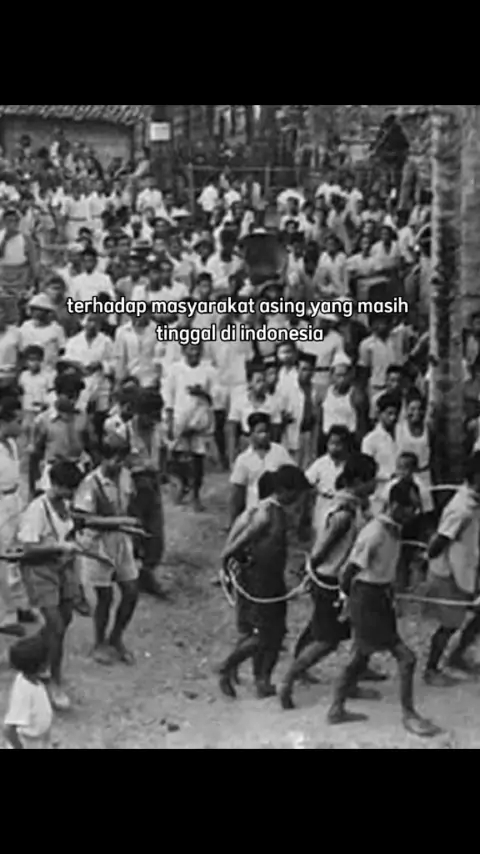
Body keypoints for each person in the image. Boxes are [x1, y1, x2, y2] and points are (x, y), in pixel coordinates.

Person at [327, 479, 441, 739]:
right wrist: (347, 602)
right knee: (406, 658)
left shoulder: (393, 530)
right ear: (396, 505)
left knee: (360, 656)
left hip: (378, 597)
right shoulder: (375, 533)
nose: (414, 513)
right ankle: (409, 714)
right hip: (367, 599)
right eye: (410, 507)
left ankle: (336, 708)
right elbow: (348, 572)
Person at [280, 454, 378, 710]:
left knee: (323, 628)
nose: (375, 484)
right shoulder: (345, 513)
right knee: (327, 640)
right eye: (371, 479)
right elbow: (323, 548)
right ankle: (289, 678)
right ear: (358, 480)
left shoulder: (349, 504)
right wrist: (310, 571)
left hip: (332, 577)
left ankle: (343, 680)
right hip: (331, 580)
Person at [219, 466, 310, 700]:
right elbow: (233, 548)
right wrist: (233, 569)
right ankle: (228, 666)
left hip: (272, 580)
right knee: (265, 634)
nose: (298, 498)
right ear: (285, 490)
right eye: (296, 492)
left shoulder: (277, 512)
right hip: (260, 582)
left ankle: (262, 680)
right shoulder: (265, 513)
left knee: (276, 633)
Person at [19, 460, 84, 712]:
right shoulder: (37, 510)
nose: (72, 493)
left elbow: (68, 530)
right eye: (68, 488)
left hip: (63, 569)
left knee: (64, 619)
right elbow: (28, 548)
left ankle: (34, 655)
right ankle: (54, 680)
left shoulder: (64, 506)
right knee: (55, 625)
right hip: (40, 571)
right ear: (56, 484)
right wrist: (58, 546)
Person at [74, 435, 140, 666]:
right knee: (105, 597)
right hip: (98, 544)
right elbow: (84, 519)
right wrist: (120, 521)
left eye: (121, 459)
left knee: (131, 591)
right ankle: (99, 642)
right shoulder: (91, 483)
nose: (117, 464)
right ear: (102, 457)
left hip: (122, 541)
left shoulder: (125, 476)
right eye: (113, 459)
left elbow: (130, 502)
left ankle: (116, 637)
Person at [424, 454, 480, 684]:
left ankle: (457, 656)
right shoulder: (461, 508)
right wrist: (428, 560)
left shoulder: (473, 502)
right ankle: (431, 669)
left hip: (467, 568)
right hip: (449, 572)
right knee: (448, 625)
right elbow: (439, 542)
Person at [164, 341, 216, 511]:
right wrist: (170, 421)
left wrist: (202, 393)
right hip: (180, 418)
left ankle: (195, 495)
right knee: (178, 458)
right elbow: (169, 396)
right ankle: (182, 487)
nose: (194, 353)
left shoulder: (209, 371)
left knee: (197, 460)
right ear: (184, 350)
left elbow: (215, 397)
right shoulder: (175, 369)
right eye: (191, 349)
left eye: (197, 349)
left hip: (199, 419)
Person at [0, 395, 32, 638]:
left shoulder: (10, 444)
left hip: (14, 500)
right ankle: (4, 616)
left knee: (17, 557)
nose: (22, 426)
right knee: (1, 561)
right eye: (18, 421)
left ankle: (20, 605)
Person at [229, 413, 293, 522]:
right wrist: (234, 519)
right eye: (260, 432)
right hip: (253, 512)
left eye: (266, 431)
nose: (264, 435)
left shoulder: (280, 452)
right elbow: (237, 493)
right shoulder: (243, 459)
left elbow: (293, 477)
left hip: (279, 510)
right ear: (251, 433)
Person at [4, 635, 53, 750]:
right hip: (27, 743)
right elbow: (9, 730)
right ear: (41, 666)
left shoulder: (32, 680)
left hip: (39, 740)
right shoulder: (24, 693)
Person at [0, 207, 38, 324]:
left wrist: (33, 281)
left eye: (15, 221)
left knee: (19, 306)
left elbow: (33, 262)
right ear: (4, 222)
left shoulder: (26, 239)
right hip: (2, 275)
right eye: (9, 221)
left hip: (20, 277)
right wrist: (5, 240)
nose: (13, 223)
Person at [19, 294, 66, 373]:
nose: (35, 312)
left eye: (39, 309)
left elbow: (62, 350)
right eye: (33, 309)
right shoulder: (25, 327)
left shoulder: (57, 329)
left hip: (50, 371)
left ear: (46, 311)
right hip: (29, 372)